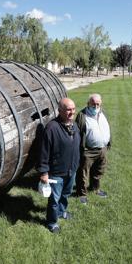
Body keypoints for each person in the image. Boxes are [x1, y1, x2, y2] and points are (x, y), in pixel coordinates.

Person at [37, 98, 80, 233]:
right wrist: (44, 172)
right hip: (56, 172)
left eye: (73, 109)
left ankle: (61, 213)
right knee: (54, 199)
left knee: (65, 194)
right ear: (59, 110)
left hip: (71, 169)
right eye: (68, 109)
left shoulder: (74, 125)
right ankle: (52, 222)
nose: (71, 112)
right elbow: (44, 152)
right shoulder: (52, 128)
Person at [75, 93, 111, 204]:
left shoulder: (102, 112)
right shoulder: (82, 115)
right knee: (83, 173)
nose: (95, 106)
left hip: (102, 149)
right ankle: (82, 193)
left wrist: (108, 142)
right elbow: (78, 134)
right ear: (88, 103)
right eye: (93, 103)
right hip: (88, 150)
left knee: (99, 170)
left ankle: (95, 188)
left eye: (98, 104)